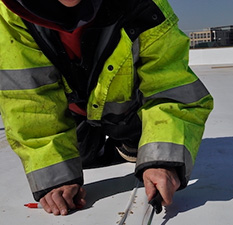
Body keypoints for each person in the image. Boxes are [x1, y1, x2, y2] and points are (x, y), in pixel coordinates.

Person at [0, 0, 213, 216]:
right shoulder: (12, 12)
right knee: (79, 157)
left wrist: (162, 160)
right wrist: (56, 176)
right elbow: (29, 99)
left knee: (144, 141)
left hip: (126, 110)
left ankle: (132, 142)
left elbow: (169, 87)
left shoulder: (146, 5)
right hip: (73, 111)